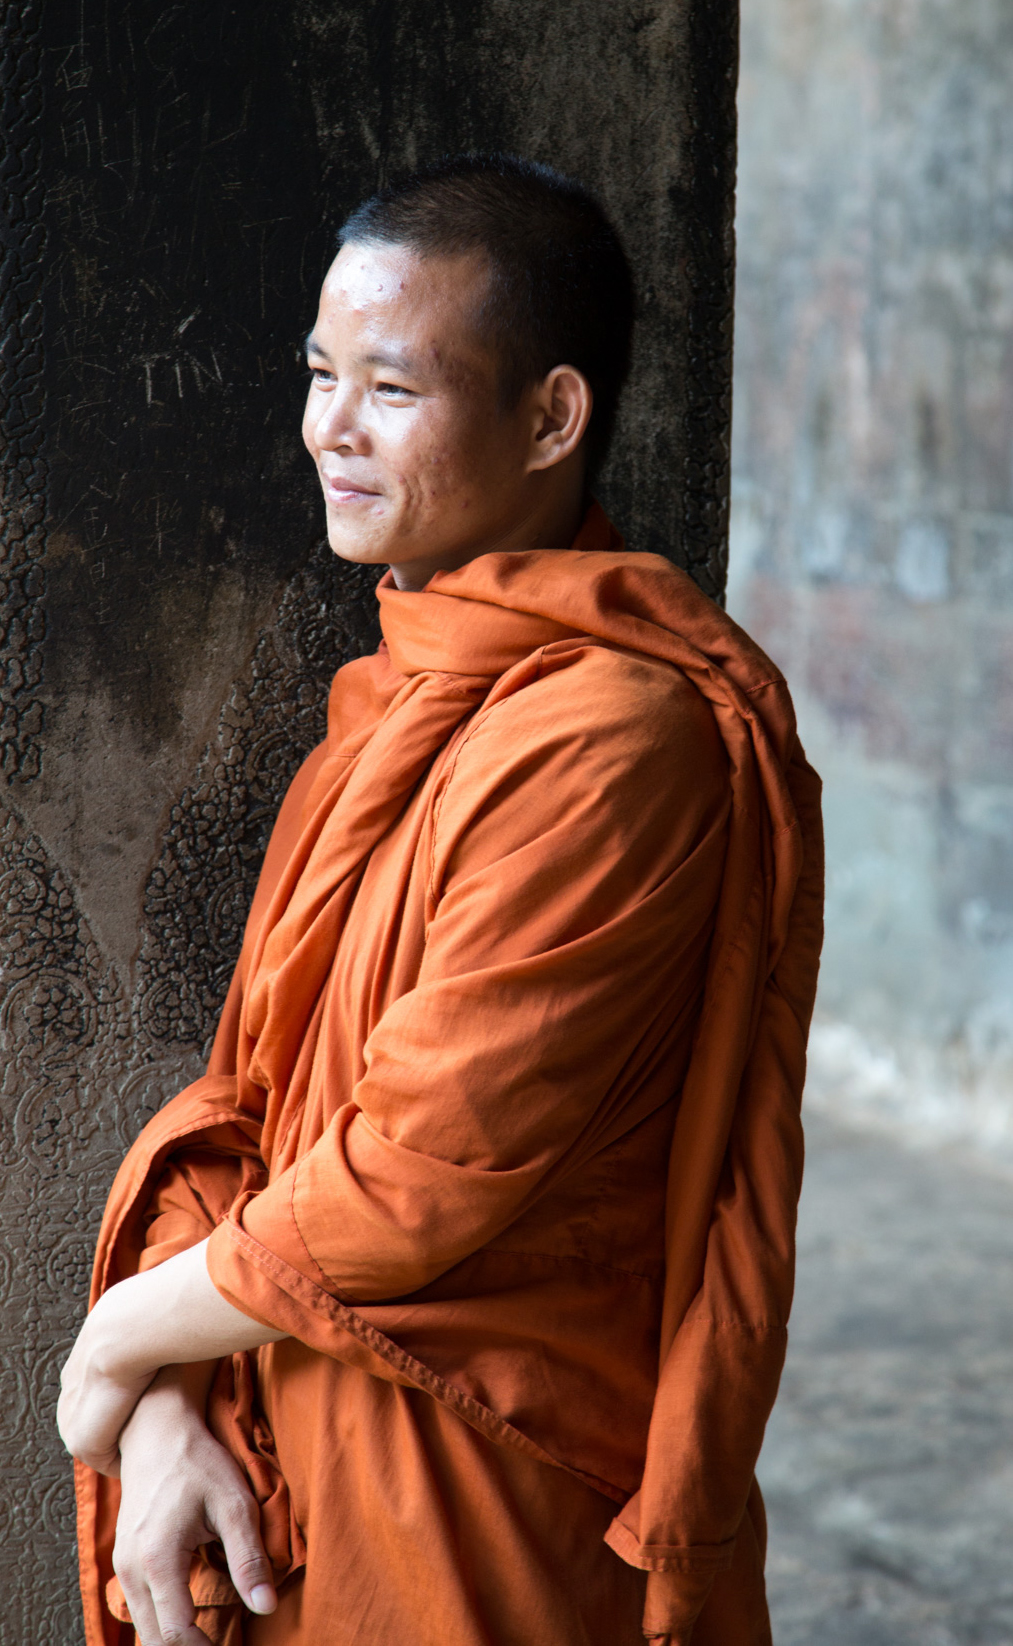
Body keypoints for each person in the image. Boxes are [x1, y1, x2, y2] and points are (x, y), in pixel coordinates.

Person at [59, 153, 823, 1646]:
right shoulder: (399, 699)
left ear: (550, 417)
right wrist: (162, 1408)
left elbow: (419, 1171)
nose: (328, 428)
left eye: (391, 389)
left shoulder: (615, 741)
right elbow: (254, 1104)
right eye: (319, 374)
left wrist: (118, 1338)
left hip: (470, 1490)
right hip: (279, 1441)